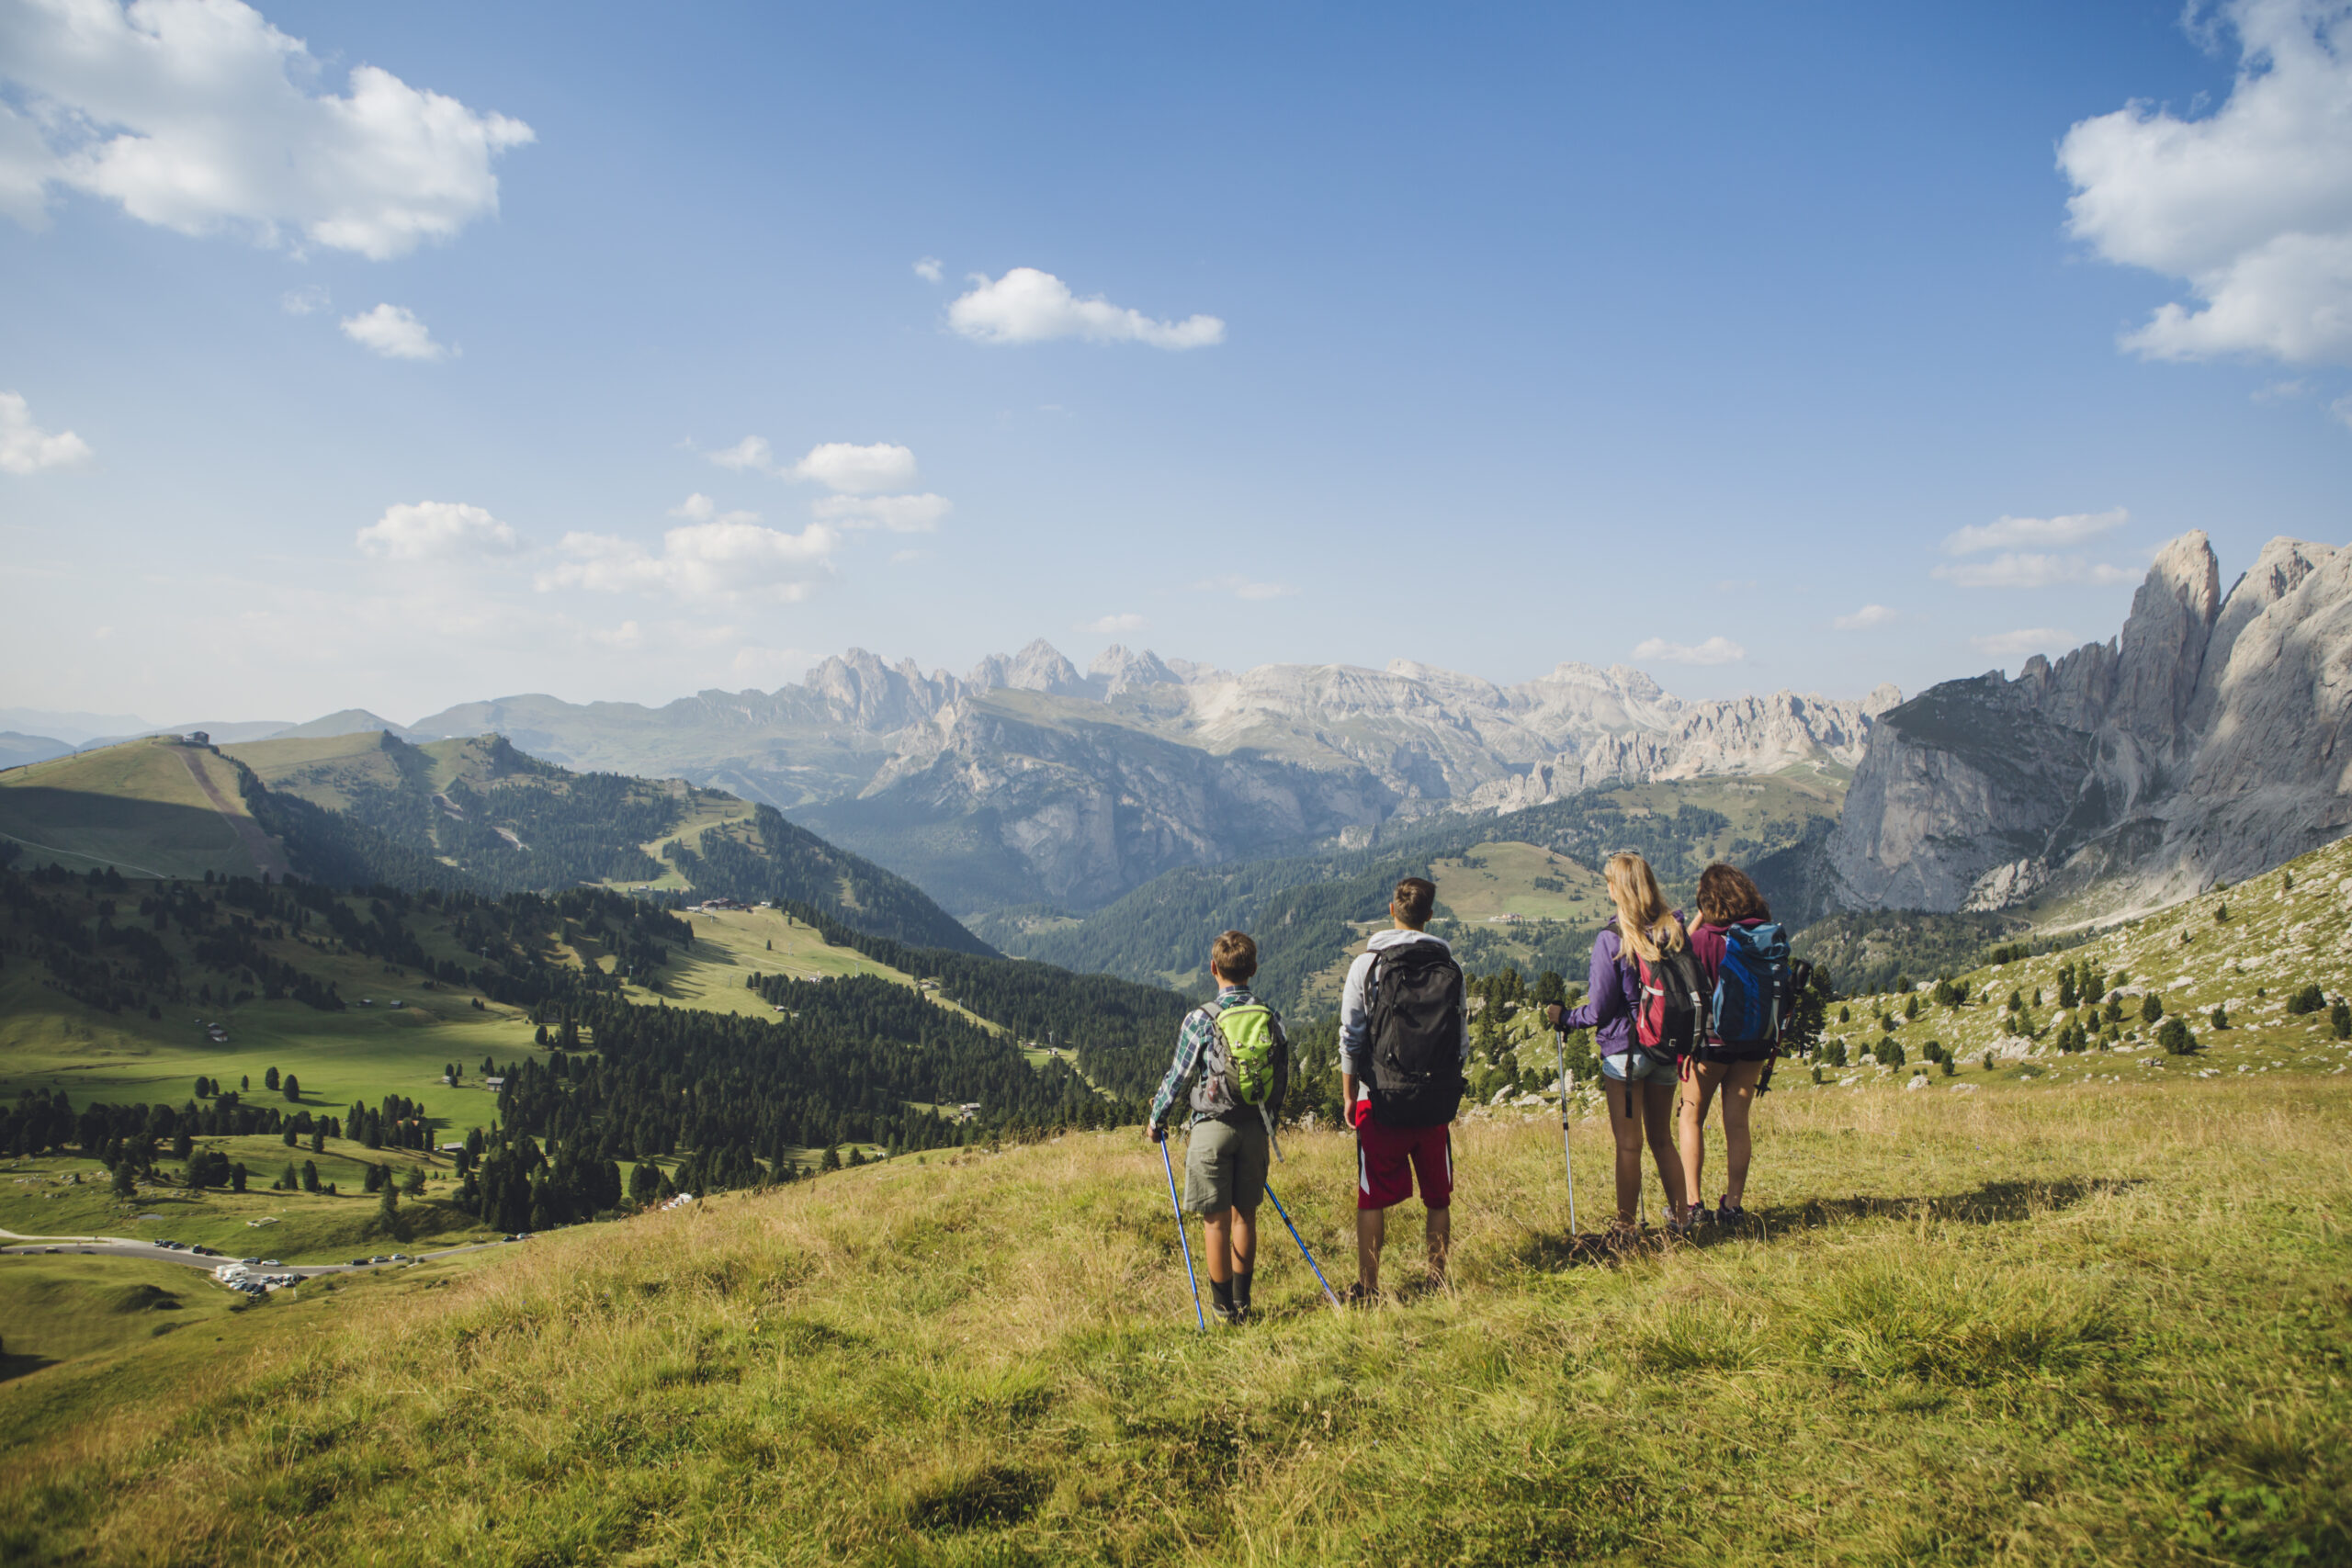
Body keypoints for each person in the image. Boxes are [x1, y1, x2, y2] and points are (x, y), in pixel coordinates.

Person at [1544, 852, 1691, 1239]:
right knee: (1662, 1139)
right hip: (1665, 1048)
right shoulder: (1673, 931)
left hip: (1625, 1053)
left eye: (1609, 881)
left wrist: (1565, 1018)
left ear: (1617, 888)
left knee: (1629, 1146)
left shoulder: (1612, 939)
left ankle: (1626, 1228)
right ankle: (1683, 1218)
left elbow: (1600, 1007)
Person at [1147, 930, 1289, 1325]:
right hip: (1255, 1128)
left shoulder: (1200, 1019)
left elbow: (1178, 1077)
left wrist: (1157, 1118)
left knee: (1215, 1220)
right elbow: (1281, 1077)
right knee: (1246, 1215)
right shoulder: (1270, 1015)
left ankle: (1223, 1311)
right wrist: (1268, 1123)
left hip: (1210, 1126)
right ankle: (1244, 1305)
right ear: (1253, 970)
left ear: (1213, 969)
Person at [1338, 875, 1467, 1302]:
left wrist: (1348, 1096)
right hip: (1433, 1102)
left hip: (1381, 1100)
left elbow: (1351, 1038)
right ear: (1429, 916)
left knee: (1371, 1197)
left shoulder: (1367, 965)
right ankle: (1437, 1279)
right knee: (1437, 1196)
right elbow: (1461, 1041)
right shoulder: (1451, 967)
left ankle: (1370, 1287)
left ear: (1391, 910)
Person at [1679, 863, 1777, 1227]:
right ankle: (1733, 1206)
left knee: (1691, 1117)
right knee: (1737, 1123)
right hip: (1755, 1041)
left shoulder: (1705, 940)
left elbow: (1674, 957)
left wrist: (1697, 918)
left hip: (1710, 1042)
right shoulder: (1766, 935)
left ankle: (1693, 1204)